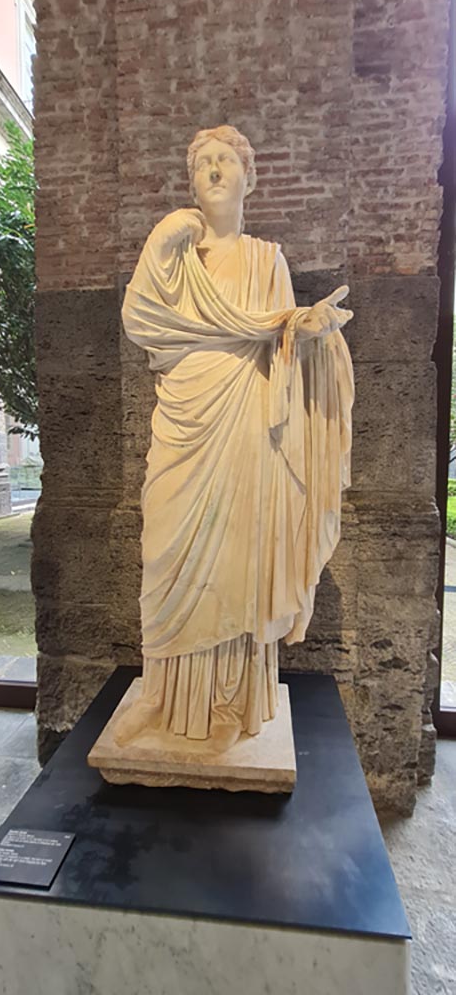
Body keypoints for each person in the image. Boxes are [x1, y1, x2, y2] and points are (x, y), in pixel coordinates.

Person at [115, 125, 354, 751]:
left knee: (236, 560)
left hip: (246, 419)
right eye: (204, 164)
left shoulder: (264, 258)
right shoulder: (179, 255)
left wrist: (309, 325)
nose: (215, 172)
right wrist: (163, 240)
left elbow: (278, 334)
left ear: (249, 177)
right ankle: (163, 696)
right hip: (184, 416)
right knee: (165, 550)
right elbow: (139, 319)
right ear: (192, 181)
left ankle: (231, 701)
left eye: (227, 161)